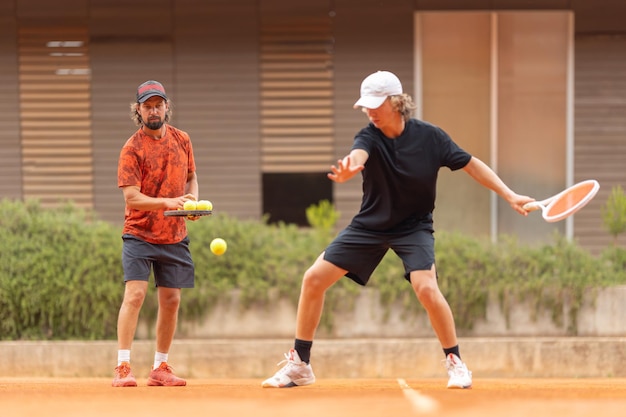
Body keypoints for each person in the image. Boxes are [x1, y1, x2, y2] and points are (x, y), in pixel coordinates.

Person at [261, 70, 534, 389]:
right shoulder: (369, 136)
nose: (370, 111)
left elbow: (472, 164)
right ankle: (300, 366)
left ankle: (456, 363)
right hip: (370, 225)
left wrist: (510, 194)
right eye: (366, 105)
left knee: (426, 288)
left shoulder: (431, 137)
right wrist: (352, 167)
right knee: (313, 279)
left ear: (397, 102)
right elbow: (358, 155)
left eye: (377, 104)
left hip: (413, 227)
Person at [113, 80, 200, 387]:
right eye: (147, 106)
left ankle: (160, 367)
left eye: (158, 105)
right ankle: (123, 366)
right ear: (138, 110)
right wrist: (167, 202)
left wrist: (192, 202)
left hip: (175, 233)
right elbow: (132, 198)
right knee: (135, 295)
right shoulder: (131, 148)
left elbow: (191, 178)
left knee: (172, 300)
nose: (153, 111)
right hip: (139, 233)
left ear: (166, 106)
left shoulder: (182, 139)